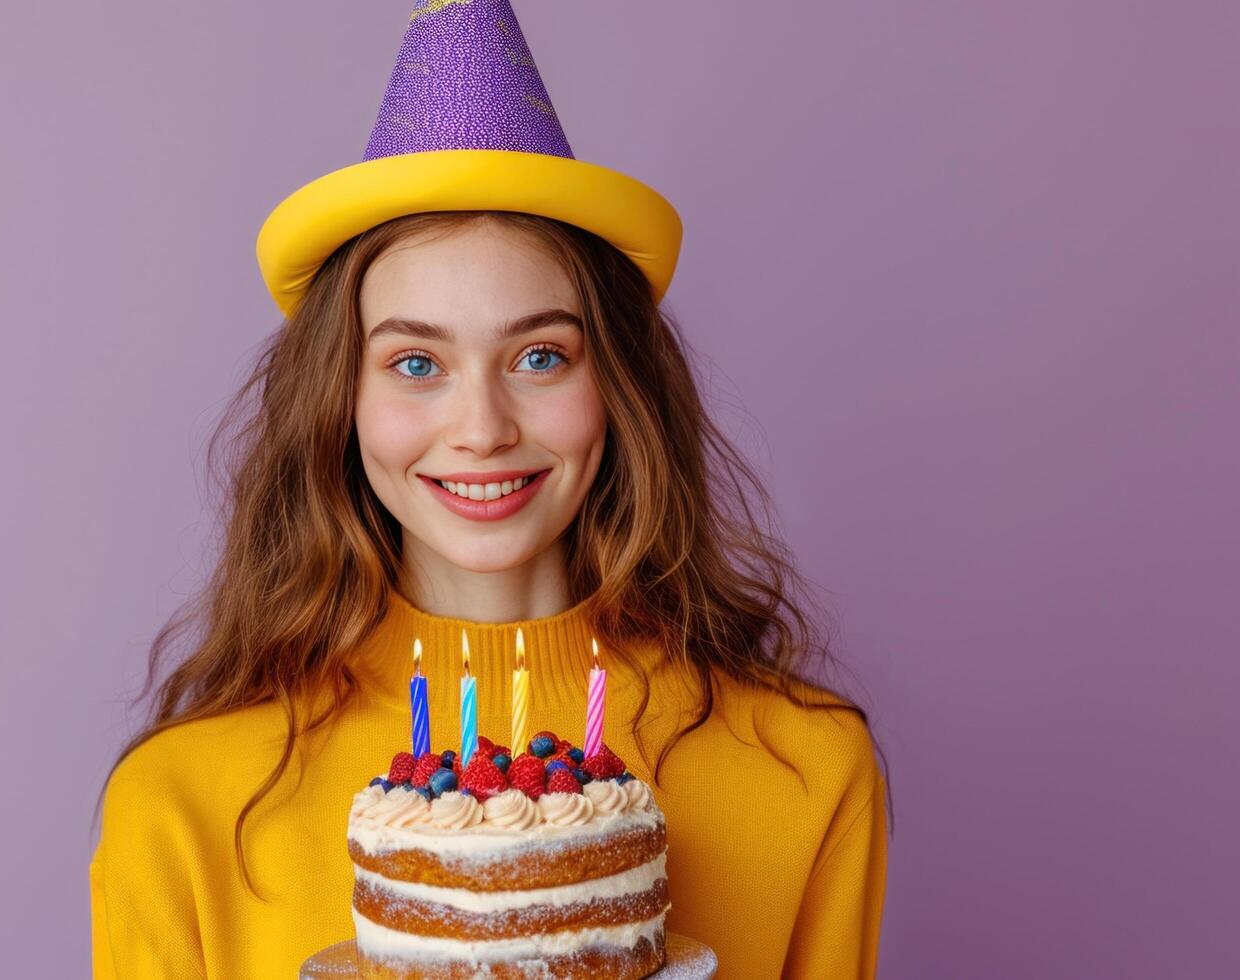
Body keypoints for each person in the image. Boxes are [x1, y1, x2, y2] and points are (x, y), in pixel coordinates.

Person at [91, 3, 891, 978]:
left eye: (540, 355)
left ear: (619, 385)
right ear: (340, 399)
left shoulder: (802, 767)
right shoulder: (185, 802)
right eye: (416, 362)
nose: (481, 428)